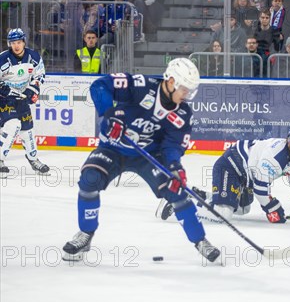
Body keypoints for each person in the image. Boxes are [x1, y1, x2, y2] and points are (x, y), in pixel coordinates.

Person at [61, 58, 221, 263]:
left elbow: (172, 145)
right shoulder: (140, 86)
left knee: (176, 190)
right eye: (185, 89)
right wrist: (110, 114)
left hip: (149, 156)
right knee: (89, 179)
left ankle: (200, 240)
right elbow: (100, 85)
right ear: (171, 82)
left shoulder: (183, 113)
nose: (187, 95)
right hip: (113, 148)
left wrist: (174, 167)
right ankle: (85, 234)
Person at [157, 123, 290, 223]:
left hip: (247, 175)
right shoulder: (275, 155)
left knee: (242, 209)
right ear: (289, 139)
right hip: (231, 165)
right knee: (224, 214)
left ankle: (197, 193)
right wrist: (271, 207)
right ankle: (178, 203)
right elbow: (261, 187)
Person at [0, 28, 49, 175]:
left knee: (27, 130)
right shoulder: (2, 59)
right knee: (13, 125)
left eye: (19, 42)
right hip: (4, 100)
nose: (16, 45)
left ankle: (33, 159)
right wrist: (4, 90)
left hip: (21, 100)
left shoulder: (33, 57)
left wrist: (32, 90)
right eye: (13, 42)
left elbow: (40, 75)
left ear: (24, 42)